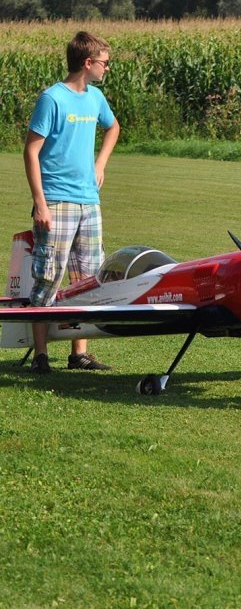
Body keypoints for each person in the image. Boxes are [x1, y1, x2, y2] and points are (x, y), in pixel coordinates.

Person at [23, 31, 121, 374]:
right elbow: (31, 151)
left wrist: (100, 164)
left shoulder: (95, 99)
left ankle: (79, 353)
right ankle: (40, 355)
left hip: (88, 203)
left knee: (89, 279)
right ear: (87, 62)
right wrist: (40, 203)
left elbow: (113, 128)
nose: (107, 69)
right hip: (57, 200)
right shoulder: (52, 98)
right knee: (48, 276)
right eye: (105, 63)